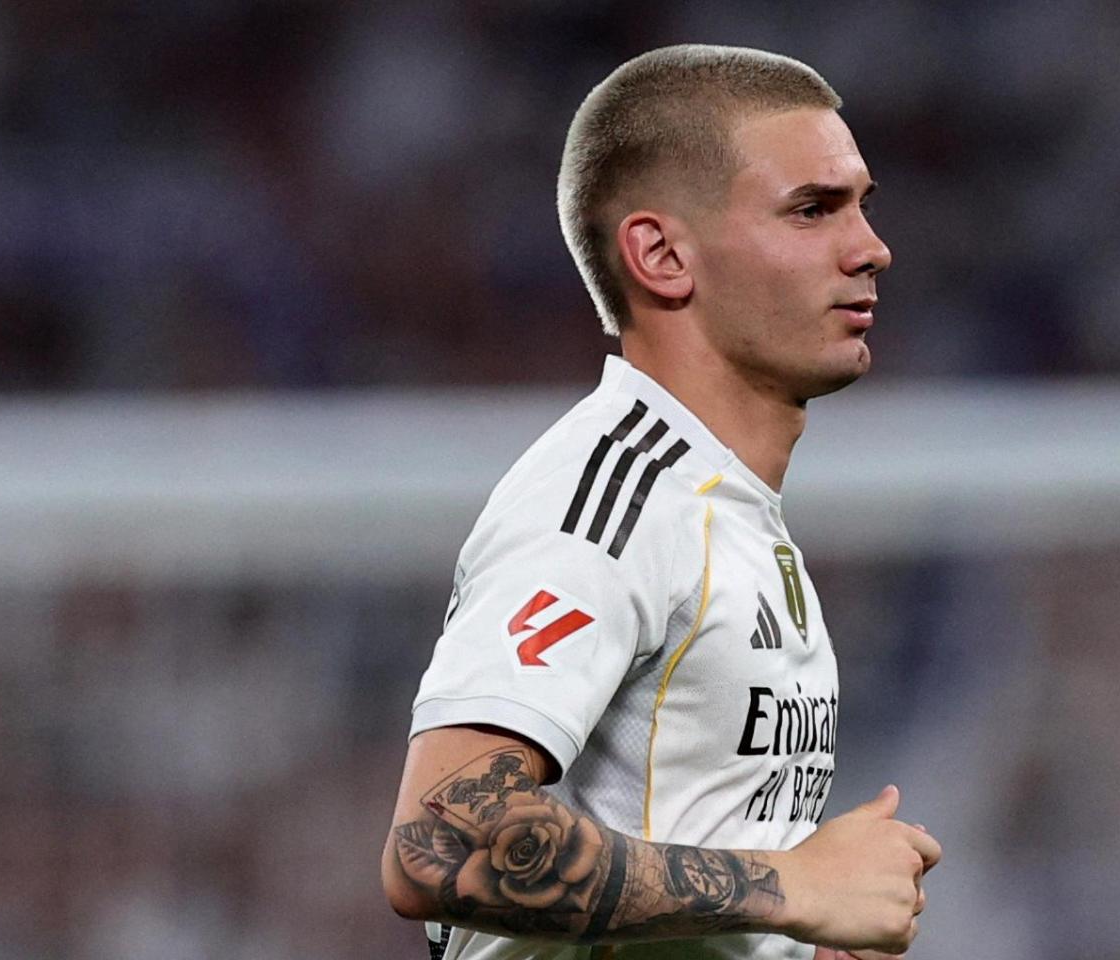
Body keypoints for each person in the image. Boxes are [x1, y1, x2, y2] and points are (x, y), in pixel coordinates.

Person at [380, 44, 941, 960]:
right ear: (663, 255)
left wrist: (785, 940)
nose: (871, 248)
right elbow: (435, 844)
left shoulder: (724, 509)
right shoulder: (611, 496)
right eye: (811, 210)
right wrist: (792, 886)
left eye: (862, 207)